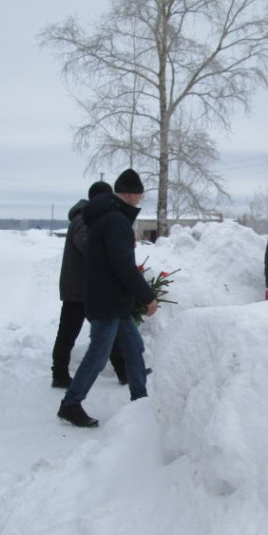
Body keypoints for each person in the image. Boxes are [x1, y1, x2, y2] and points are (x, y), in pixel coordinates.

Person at [57, 168, 157, 427]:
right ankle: (71, 403)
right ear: (130, 194)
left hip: (114, 300)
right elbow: (122, 265)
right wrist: (147, 295)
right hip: (107, 301)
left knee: (134, 346)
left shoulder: (108, 217)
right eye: (139, 195)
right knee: (99, 355)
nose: (139, 200)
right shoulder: (115, 221)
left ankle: (140, 400)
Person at [51, 181, 117, 388]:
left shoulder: (89, 217)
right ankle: (59, 374)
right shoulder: (83, 218)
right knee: (68, 334)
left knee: (109, 329)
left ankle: (125, 369)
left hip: (86, 288)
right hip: (79, 289)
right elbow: (87, 245)